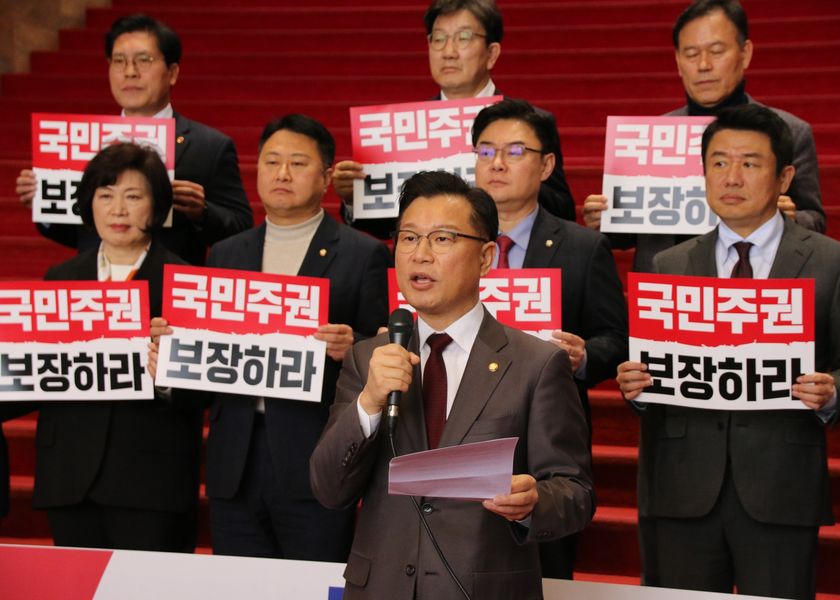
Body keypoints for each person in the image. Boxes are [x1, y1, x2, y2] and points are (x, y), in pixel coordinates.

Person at [616, 104, 840, 599]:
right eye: (719, 162)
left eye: (750, 163)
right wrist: (635, 387)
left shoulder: (833, 262)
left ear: (785, 177)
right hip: (681, 485)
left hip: (782, 486)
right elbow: (646, 371)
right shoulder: (669, 264)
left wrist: (833, 391)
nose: (731, 177)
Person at [310, 171, 594, 599]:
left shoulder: (536, 363)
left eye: (442, 239)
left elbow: (576, 493)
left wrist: (534, 501)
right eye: (408, 238)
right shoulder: (369, 359)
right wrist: (368, 403)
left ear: (485, 257)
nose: (420, 255)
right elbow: (329, 488)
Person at [148, 114, 390, 561]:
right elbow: (205, 367)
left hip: (315, 457)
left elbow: (385, 348)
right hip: (234, 461)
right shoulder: (226, 253)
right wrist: (169, 360)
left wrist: (352, 346)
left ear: (326, 177)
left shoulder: (363, 254)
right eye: (271, 161)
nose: (282, 173)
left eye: (298, 163)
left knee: (311, 583)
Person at [20, 143, 203, 551]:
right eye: (105, 195)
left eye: (133, 196)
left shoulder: (185, 283)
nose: (118, 210)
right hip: (69, 477)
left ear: (157, 205)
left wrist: (168, 374)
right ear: (89, 203)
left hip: (151, 481)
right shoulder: (61, 278)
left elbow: (206, 394)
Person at [471, 98, 627, 578]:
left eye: (515, 151)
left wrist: (584, 355)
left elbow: (616, 339)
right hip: (459, 435)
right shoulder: (445, 242)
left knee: (545, 578)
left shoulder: (583, 247)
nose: (497, 163)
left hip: (543, 446)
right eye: (485, 151)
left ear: (546, 165)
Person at [583, 0, 826, 273]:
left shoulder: (789, 130)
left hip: (749, 279)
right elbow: (630, 234)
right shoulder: (651, 137)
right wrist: (606, 219)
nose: (703, 65)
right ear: (678, 61)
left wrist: (790, 219)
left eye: (717, 51)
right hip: (666, 283)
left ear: (745, 53)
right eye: (691, 54)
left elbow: (815, 220)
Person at [15, 14, 252, 266]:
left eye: (144, 60)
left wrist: (202, 212)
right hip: (99, 283)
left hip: (168, 283)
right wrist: (44, 202)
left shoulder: (210, 146)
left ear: (172, 73)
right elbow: (81, 233)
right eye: (119, 61)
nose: (130, 72)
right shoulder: (83, 143)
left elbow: (242, 229)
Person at [333, 0, 576, 238]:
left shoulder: (530, 123)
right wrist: (354, 198)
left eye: (463, 38)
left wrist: (512, 187)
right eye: (438, 39)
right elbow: (391, 227)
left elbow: (562, 210)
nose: (448, 52)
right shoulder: (405, 129)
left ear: (491, 53)